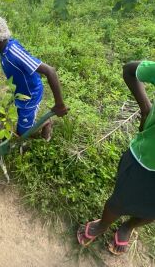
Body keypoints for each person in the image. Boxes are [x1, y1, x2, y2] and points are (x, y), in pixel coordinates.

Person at [77, 60, 155, 255]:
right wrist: (145, 108)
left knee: (152, 211)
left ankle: (128, 227)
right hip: (146, 159)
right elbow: (130, 70)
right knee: (119, 200)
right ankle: (102, 225)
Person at [0, 4, 68, 139]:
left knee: (23, 133)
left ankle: (46, 122)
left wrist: (59, 104)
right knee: (19, 121)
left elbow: (50, 71)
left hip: (30, 95)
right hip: (21, 93)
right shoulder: (3, 49)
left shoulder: (14, 53)